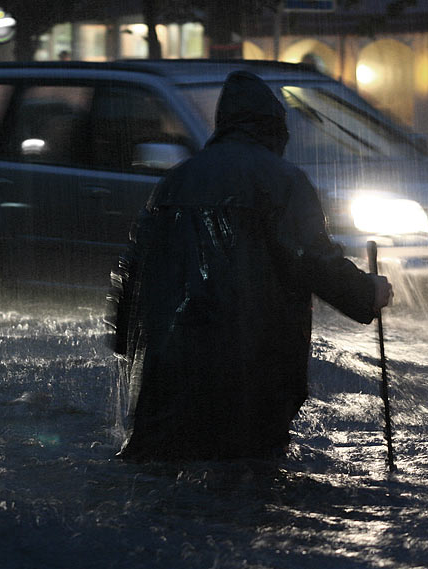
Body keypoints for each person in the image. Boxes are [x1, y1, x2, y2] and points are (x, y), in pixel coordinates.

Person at [107, 70, 392, 462]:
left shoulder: (172, 184)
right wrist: (368, 292)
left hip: (170, 373)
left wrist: (123, 338)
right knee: (249, 481)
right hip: (251, 371)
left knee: (165, 480)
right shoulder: (284, 182)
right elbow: (313, 259)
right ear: (274, 127)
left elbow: (132, 272)